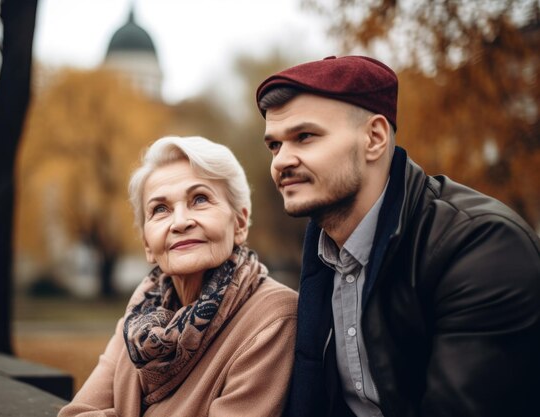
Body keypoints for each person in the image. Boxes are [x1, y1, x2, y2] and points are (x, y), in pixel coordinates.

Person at [255, 55, 540, 417]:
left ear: (374, 138)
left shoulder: (483, 247)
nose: (281, 161)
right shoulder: (324, 252)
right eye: (275, 145)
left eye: (304, 137)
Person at [58, 135, 297, 417]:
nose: (181, 222)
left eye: (200, 199)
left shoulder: (274, 317)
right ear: (147, 243)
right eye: (160, 209)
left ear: (240, 224)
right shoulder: (136, 324)